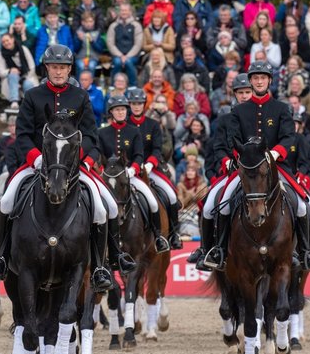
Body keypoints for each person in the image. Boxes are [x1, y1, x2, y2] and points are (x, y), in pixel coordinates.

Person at [0, 44, 129, 292]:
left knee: (105, 207)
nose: (59, 72)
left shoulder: (80, 96)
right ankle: (1, 258)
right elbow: (22, 136)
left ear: (69, 69)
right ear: (47, 68)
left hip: (73, 166)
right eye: (54, 67)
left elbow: (91, 137)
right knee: (8, 200)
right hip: (38, 164)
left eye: (63, 68)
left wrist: (83, 161)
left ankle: (102, 265)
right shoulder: (33, 96)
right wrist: (37, 159)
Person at [200, 61, 310, 271]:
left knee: (303, 207)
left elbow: (288, 137)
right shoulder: (239, 111)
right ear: (251, 80)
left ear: (269, 80)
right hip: (247, 170)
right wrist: (240, 158)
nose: (259, 81)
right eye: (255, 78)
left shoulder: (282, 108)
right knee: (215, 204)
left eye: (263, 78)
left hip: (276, 167)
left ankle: (305, 252)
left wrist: (276, 153)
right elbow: (233, 140)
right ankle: (216, 251)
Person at [188, 73, 253, 265]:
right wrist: (227, 162)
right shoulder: (224, 121)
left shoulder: (261, 117)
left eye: (248, 92)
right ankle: (210, 250)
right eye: (241, 92)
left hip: (258, 173)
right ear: (235, 94)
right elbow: (218, 148)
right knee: (209, 208)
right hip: (233, 173)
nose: (244, 96)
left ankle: (299, 249)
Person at [100, 94, 170, 253]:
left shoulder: (133, 131)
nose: (121, 112)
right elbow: (99, 153)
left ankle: (158, 237)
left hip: (129, 175)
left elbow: (139, 154)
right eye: (117, 110)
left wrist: (134, 168)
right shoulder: (102, 133)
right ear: (111, 112)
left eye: (123, 109)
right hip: (108, 178)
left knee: (152, 201)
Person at [126, 88, 181, 249]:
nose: (137, 107)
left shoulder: (153, 125)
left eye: (140, 104)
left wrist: (150, 163)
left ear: (144, 105)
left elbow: (157, 149)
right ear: (130, 105)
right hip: (128, 170)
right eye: (134, 104)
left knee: (171, 196)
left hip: (151, 168)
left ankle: (173, 234)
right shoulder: (126, 125)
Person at [105, 3, 143, 86]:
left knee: (128, 62)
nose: (124, 12)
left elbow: (138, 44)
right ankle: (113, 85)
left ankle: (133, 86)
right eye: (122, 10)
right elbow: (110, 43)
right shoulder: (113, 26)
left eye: (126, 10)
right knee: (118, 62)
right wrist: (120, 55)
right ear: (119, 12)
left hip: (132, 56)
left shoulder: (136, 25)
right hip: (117, 55)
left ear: (130, 12)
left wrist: (127, 56)